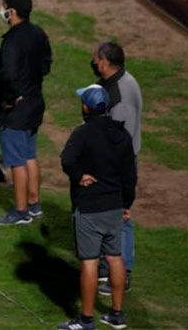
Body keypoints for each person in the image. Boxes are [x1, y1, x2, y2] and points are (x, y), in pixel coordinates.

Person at [58, 84, 136, 330]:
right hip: (115, 206)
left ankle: (86, 320)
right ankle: (116, 314)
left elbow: (67, 160)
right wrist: (126, 203)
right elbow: (130, 175)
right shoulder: (121, 134)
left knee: (90, 262)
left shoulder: (83, 133)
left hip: (90, 207)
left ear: (86, 107)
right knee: (115, 258)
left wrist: (79, 175)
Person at [0, 0, 52, 225]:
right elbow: (46, 64)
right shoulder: (38, 33)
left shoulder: (12, 41)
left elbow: (7, 75)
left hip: (16, 110)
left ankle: (20, 211)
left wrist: (9, 98)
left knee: (16, 160)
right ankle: (34, 204)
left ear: (12, 12)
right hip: (35, 102)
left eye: (4, 6)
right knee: (29, 155)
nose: (2, 10)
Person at [91, 41, 143, 296]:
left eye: (96, 59)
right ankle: (105, 267)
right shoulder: (121, 82)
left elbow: (119, 142)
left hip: (118, 167)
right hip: (114, 163)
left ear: (105, 62)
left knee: (120, 218)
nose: (93, 63)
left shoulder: (121, 96)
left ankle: (122, 273)